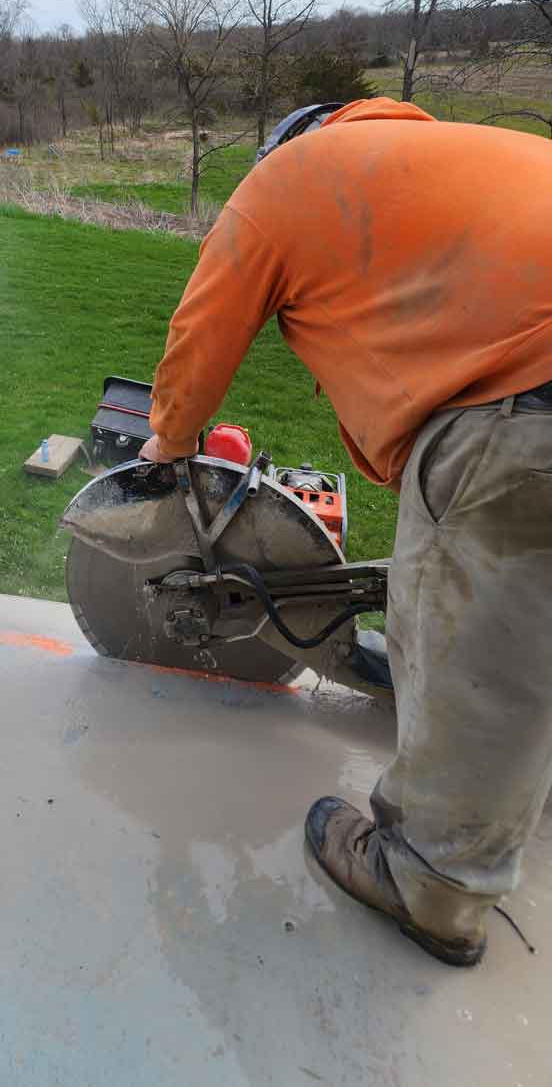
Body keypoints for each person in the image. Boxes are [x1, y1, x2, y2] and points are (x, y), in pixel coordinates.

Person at [139, 96, 552, 967]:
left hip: (528, 404)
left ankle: (435, 884)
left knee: (475, 643)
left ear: (293, 142)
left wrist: (170, 439)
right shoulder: (456, 157)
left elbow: (202, 329)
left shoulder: (288, 176)